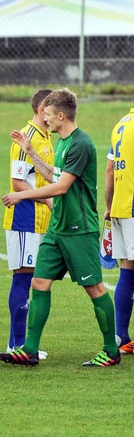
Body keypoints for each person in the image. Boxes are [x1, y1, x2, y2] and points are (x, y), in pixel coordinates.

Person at [0, 88, 119, 367]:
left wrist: (21, 195)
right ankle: (29, 349)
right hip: (58, 228)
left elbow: (62, 187)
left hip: (79, 228)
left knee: (95, 288)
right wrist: (30, 152)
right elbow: (54, 173)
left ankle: (111, 350)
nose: (46, 119)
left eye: (49, 115)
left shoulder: (80, 143)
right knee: (39, 283)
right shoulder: (63, 142)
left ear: (61, 115)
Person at [2, 89, 53, 358]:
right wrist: (49, 201)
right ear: (43, 107)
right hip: (25, 217)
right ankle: (16, 344)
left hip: (40, 219)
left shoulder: (45, 137)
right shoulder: (28, 136)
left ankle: (20, 342)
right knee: (23, 276)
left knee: (32, 277)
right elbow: (17, 182)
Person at [106, 107, 134, 355]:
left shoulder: (120, 125)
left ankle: (121, 336)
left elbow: (110, 170)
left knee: (128, 268)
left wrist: (108, 206)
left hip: (120, 208)